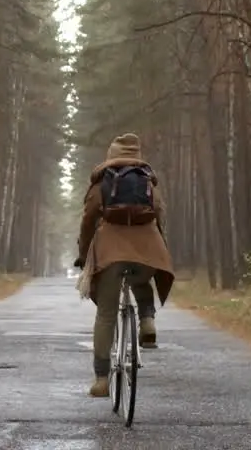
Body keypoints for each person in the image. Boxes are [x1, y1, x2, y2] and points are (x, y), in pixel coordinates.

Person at [74, 132, 175, 397]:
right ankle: (147, 320)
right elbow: (160, 214)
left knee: (106, 314)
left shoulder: (102, 182)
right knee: (141, 278)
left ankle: (101, 380)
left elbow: (88, 220)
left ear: (111, 155)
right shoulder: (148, 180)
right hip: (148, 249)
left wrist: (84, 254)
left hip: (110, 253)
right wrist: (159, 247)